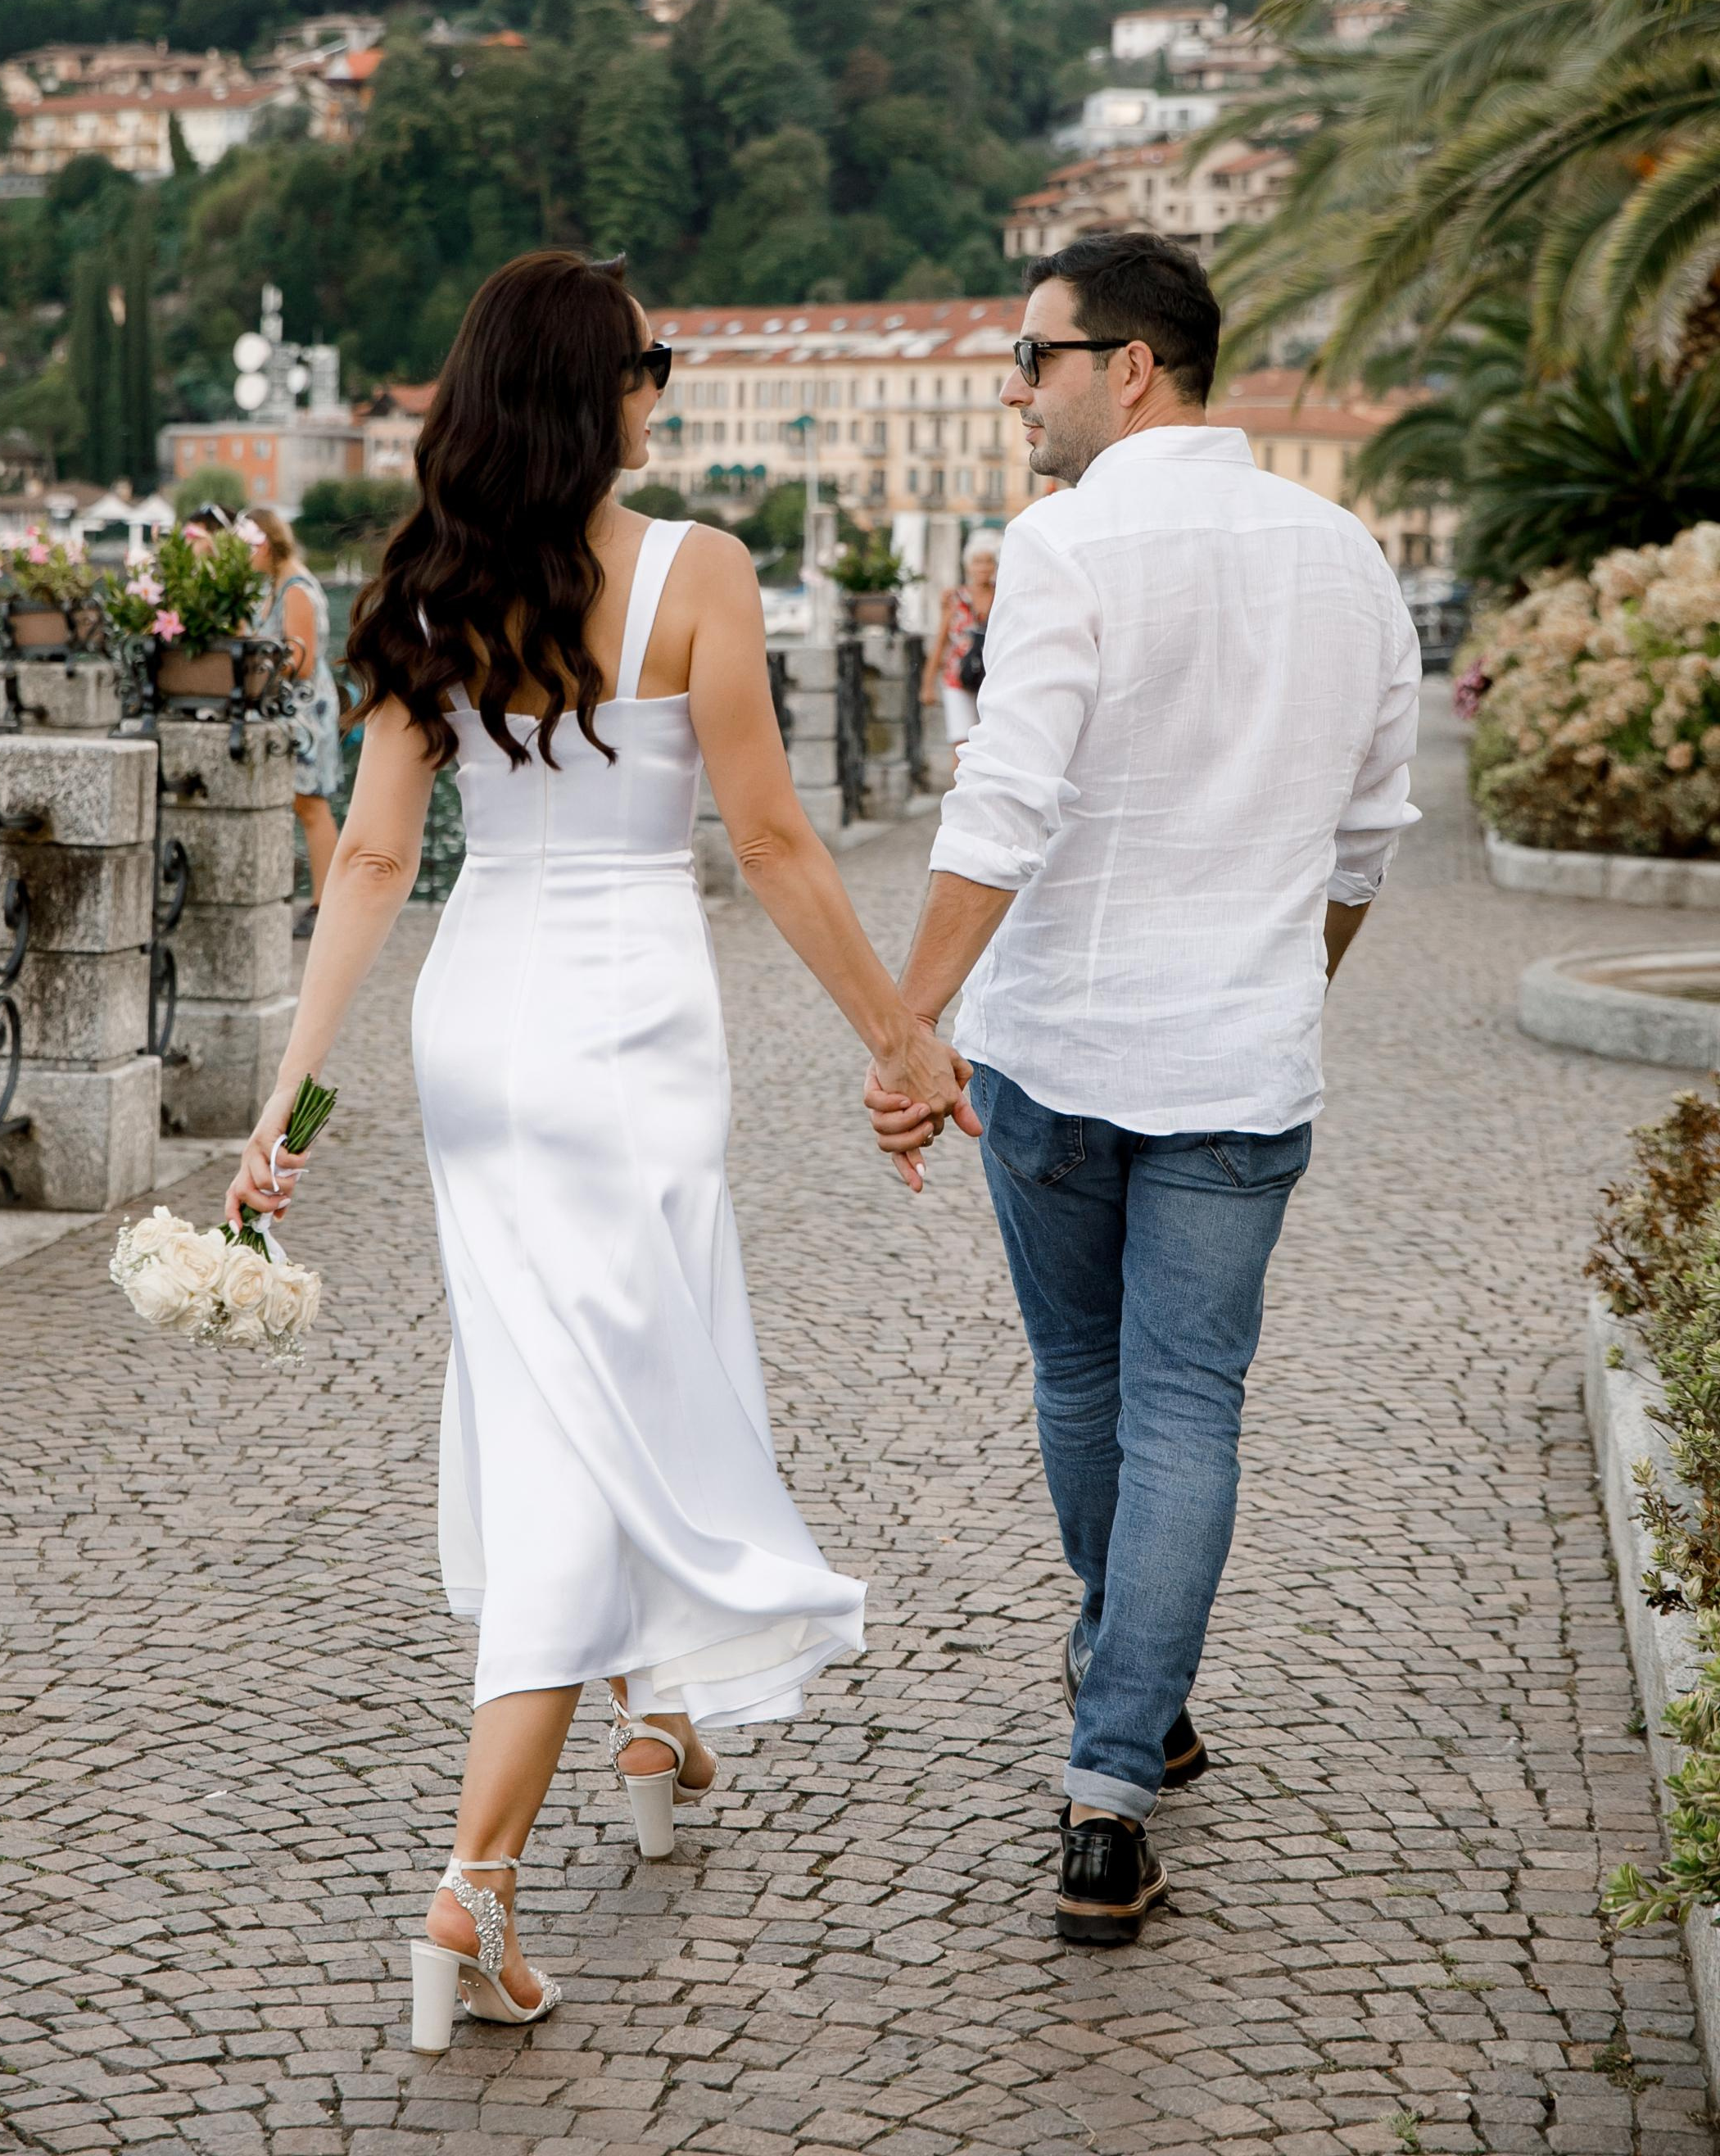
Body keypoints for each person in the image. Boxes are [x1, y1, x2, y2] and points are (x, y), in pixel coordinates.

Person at [226, 249, 970, 2050]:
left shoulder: (425, 583)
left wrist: (286, 1110)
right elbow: (773, 844)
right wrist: (899, 1039)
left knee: (566, 1374)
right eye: (651, 362)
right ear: (596, 390)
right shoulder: (697, 572)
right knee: (591, 1402)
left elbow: (374, 863)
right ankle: (473, 1884)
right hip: (629, 1031)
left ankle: (653, 1718)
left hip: (477, 1031)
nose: (663, 387)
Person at [867, 230, 1419, 1951]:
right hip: (1238, 1063)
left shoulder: (1065, 543)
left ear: (1129, 366)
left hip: (1060, 1047)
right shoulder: (1347, 557)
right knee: (1187, 1408)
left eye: (1033, 359)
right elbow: (1368, 838)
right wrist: (1282, 988)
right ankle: (1117, 1778)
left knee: (1086, 1380)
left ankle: (1121, 1700)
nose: (1014, 394)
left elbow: (1003, 803)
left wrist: (908, 1027)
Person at [248, 507, 342, 936]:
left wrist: (254, 669)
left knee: (311, 804)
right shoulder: (278, 585)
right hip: (287, 710)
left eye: (249, 547)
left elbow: (300, 660)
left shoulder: (296, 588)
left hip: (305, 711)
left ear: (266, 544)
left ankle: (326, 904)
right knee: (301, 802)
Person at [919, 535, 999, 746]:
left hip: (992, 677)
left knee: (991, 742)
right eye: (977, 562)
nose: (983, 568)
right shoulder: (955, 599)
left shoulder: (1002, 597)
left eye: (988, 562)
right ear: (968, 566)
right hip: (958, 676)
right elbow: (941, 642)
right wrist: (928, 684)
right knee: (961, 741)